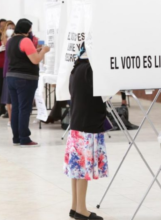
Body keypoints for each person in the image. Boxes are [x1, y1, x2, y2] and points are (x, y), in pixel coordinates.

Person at [64, 43, 106, 220]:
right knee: (83, 170)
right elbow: (105, 92)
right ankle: (81, 209)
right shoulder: (91, 69)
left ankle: (75, 207)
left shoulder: (77, 68)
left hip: (77, 124)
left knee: (76, 169)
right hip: (88, 125)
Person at [7, 19, 50, 146]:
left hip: (11, 77)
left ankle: (16, 137)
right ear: (27, 29)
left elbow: (22, 55)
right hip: (25, 78)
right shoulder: (25, 40)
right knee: (24, 108)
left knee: (16, 108)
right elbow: (36, 60)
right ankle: (25, 138)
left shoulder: (10, 41)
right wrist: (44, 51)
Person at [1, 21, 16, 124]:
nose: (11, 29)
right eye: (9, 27)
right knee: (8, 98)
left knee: (14, 97)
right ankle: (10, 118)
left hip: (15, 69)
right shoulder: (6, 39)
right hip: (7, 69)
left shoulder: (17, 39)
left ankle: (14, 118)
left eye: (13, 28)